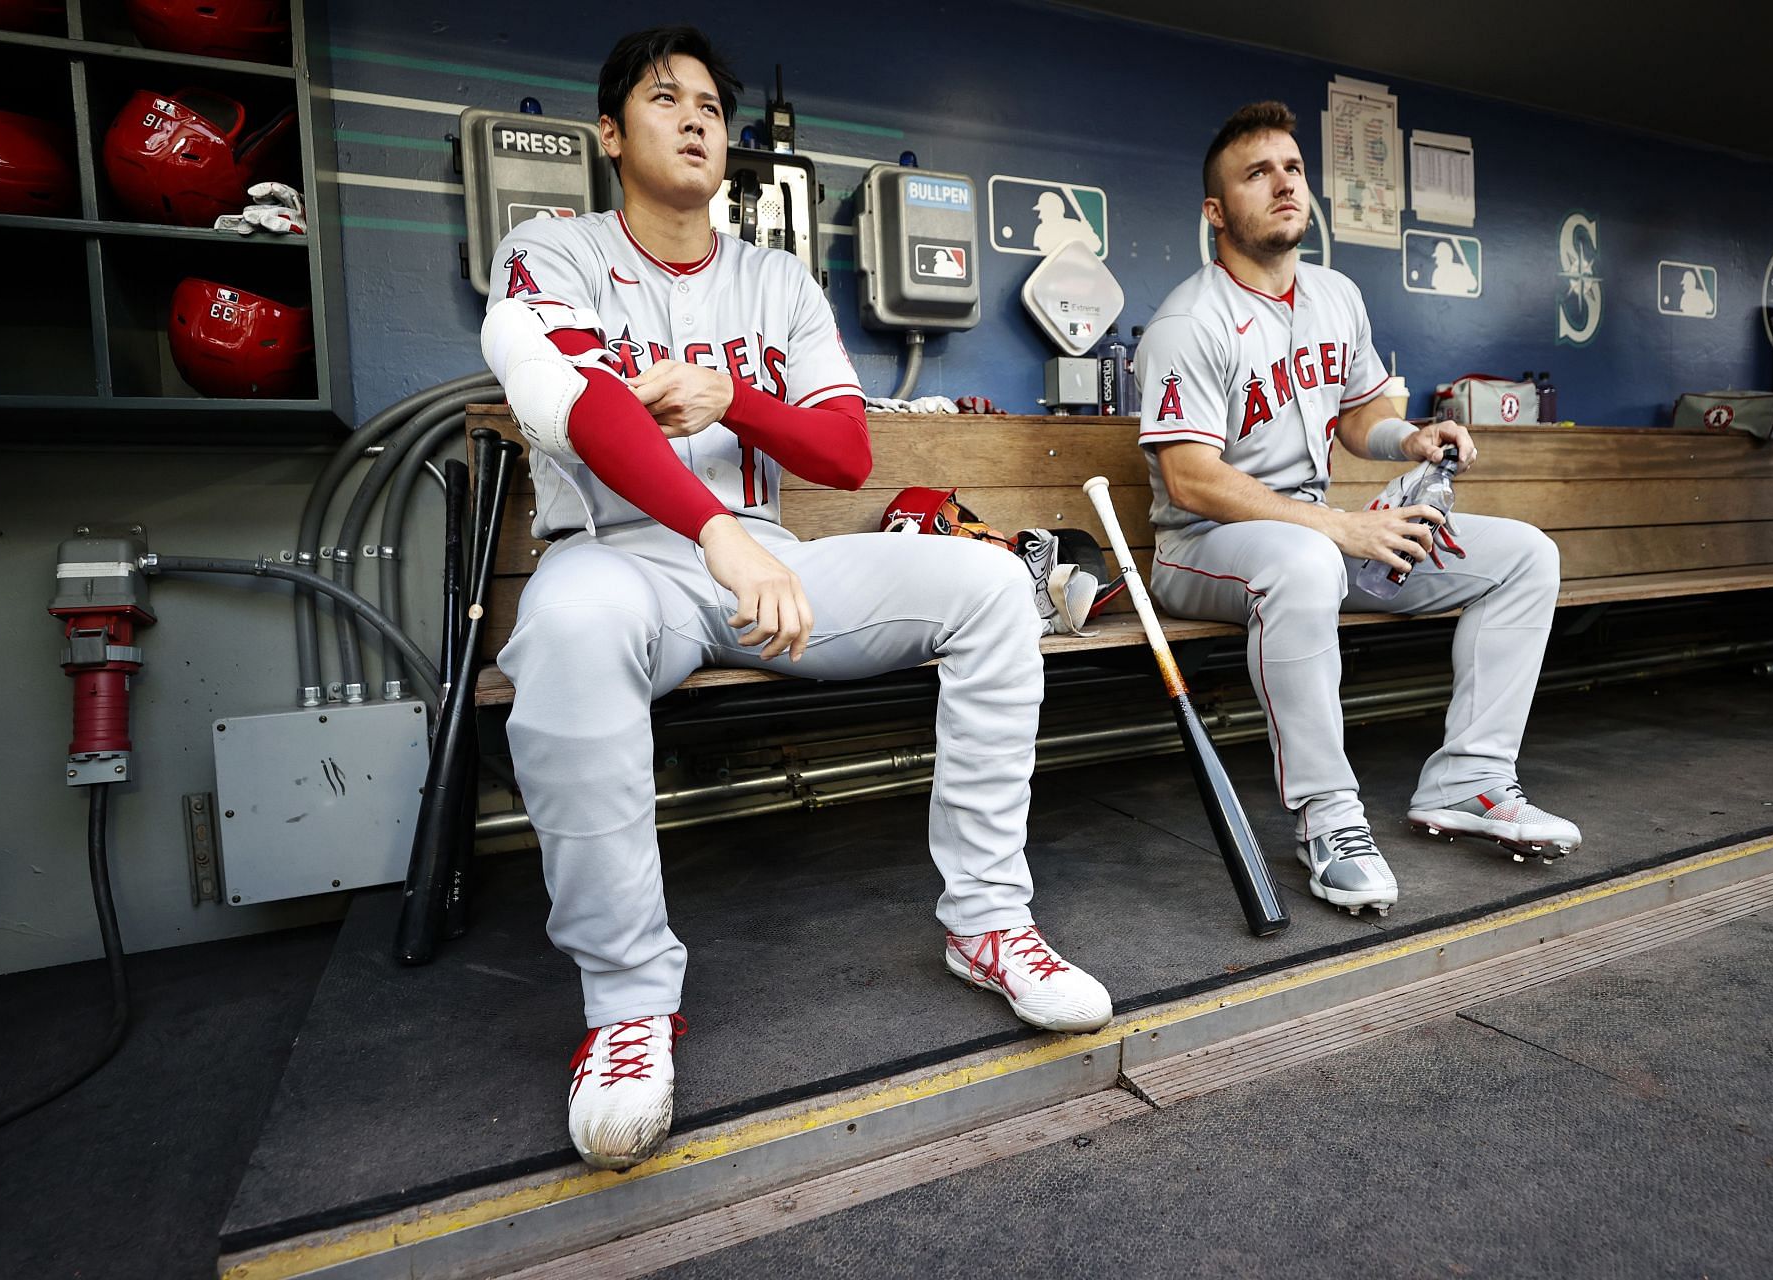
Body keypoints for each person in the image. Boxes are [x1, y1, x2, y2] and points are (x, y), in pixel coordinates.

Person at [479, 25, 1112, 1173]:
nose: (696, 118)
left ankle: (986, 922)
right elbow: (577, 404)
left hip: (772, 566)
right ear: (611, 133)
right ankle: (628, 1008)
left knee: (986, 582)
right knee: (567, 628)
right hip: (624, 562)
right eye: (664, 100)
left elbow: (842, 451)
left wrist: (730, 397)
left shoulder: (774, 280)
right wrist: (715, 530)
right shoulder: (553, 250)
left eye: (712, 105)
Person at [1133, 100, 1581, 918]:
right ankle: (1327, 819)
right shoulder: (1188, 322)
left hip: (1310, 537)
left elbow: (1358, 418)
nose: (1283, 184)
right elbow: (1193, 480)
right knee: (1306, 561)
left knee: (1525, 555)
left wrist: (1411, 439)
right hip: (1203, 549)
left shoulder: (1336, 296)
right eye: (1256, 173)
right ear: (1215, 211)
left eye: (1293, 169)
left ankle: (1471, 782)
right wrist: (1342, 527)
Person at [1032, 190, 1100, 255]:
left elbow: (1096, 246)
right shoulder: (1041, 230)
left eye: (1044, 211)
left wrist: (1088, 232)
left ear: (1053, 211)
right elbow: (1040, 255)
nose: (1040, 216)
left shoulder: (1075, 226)